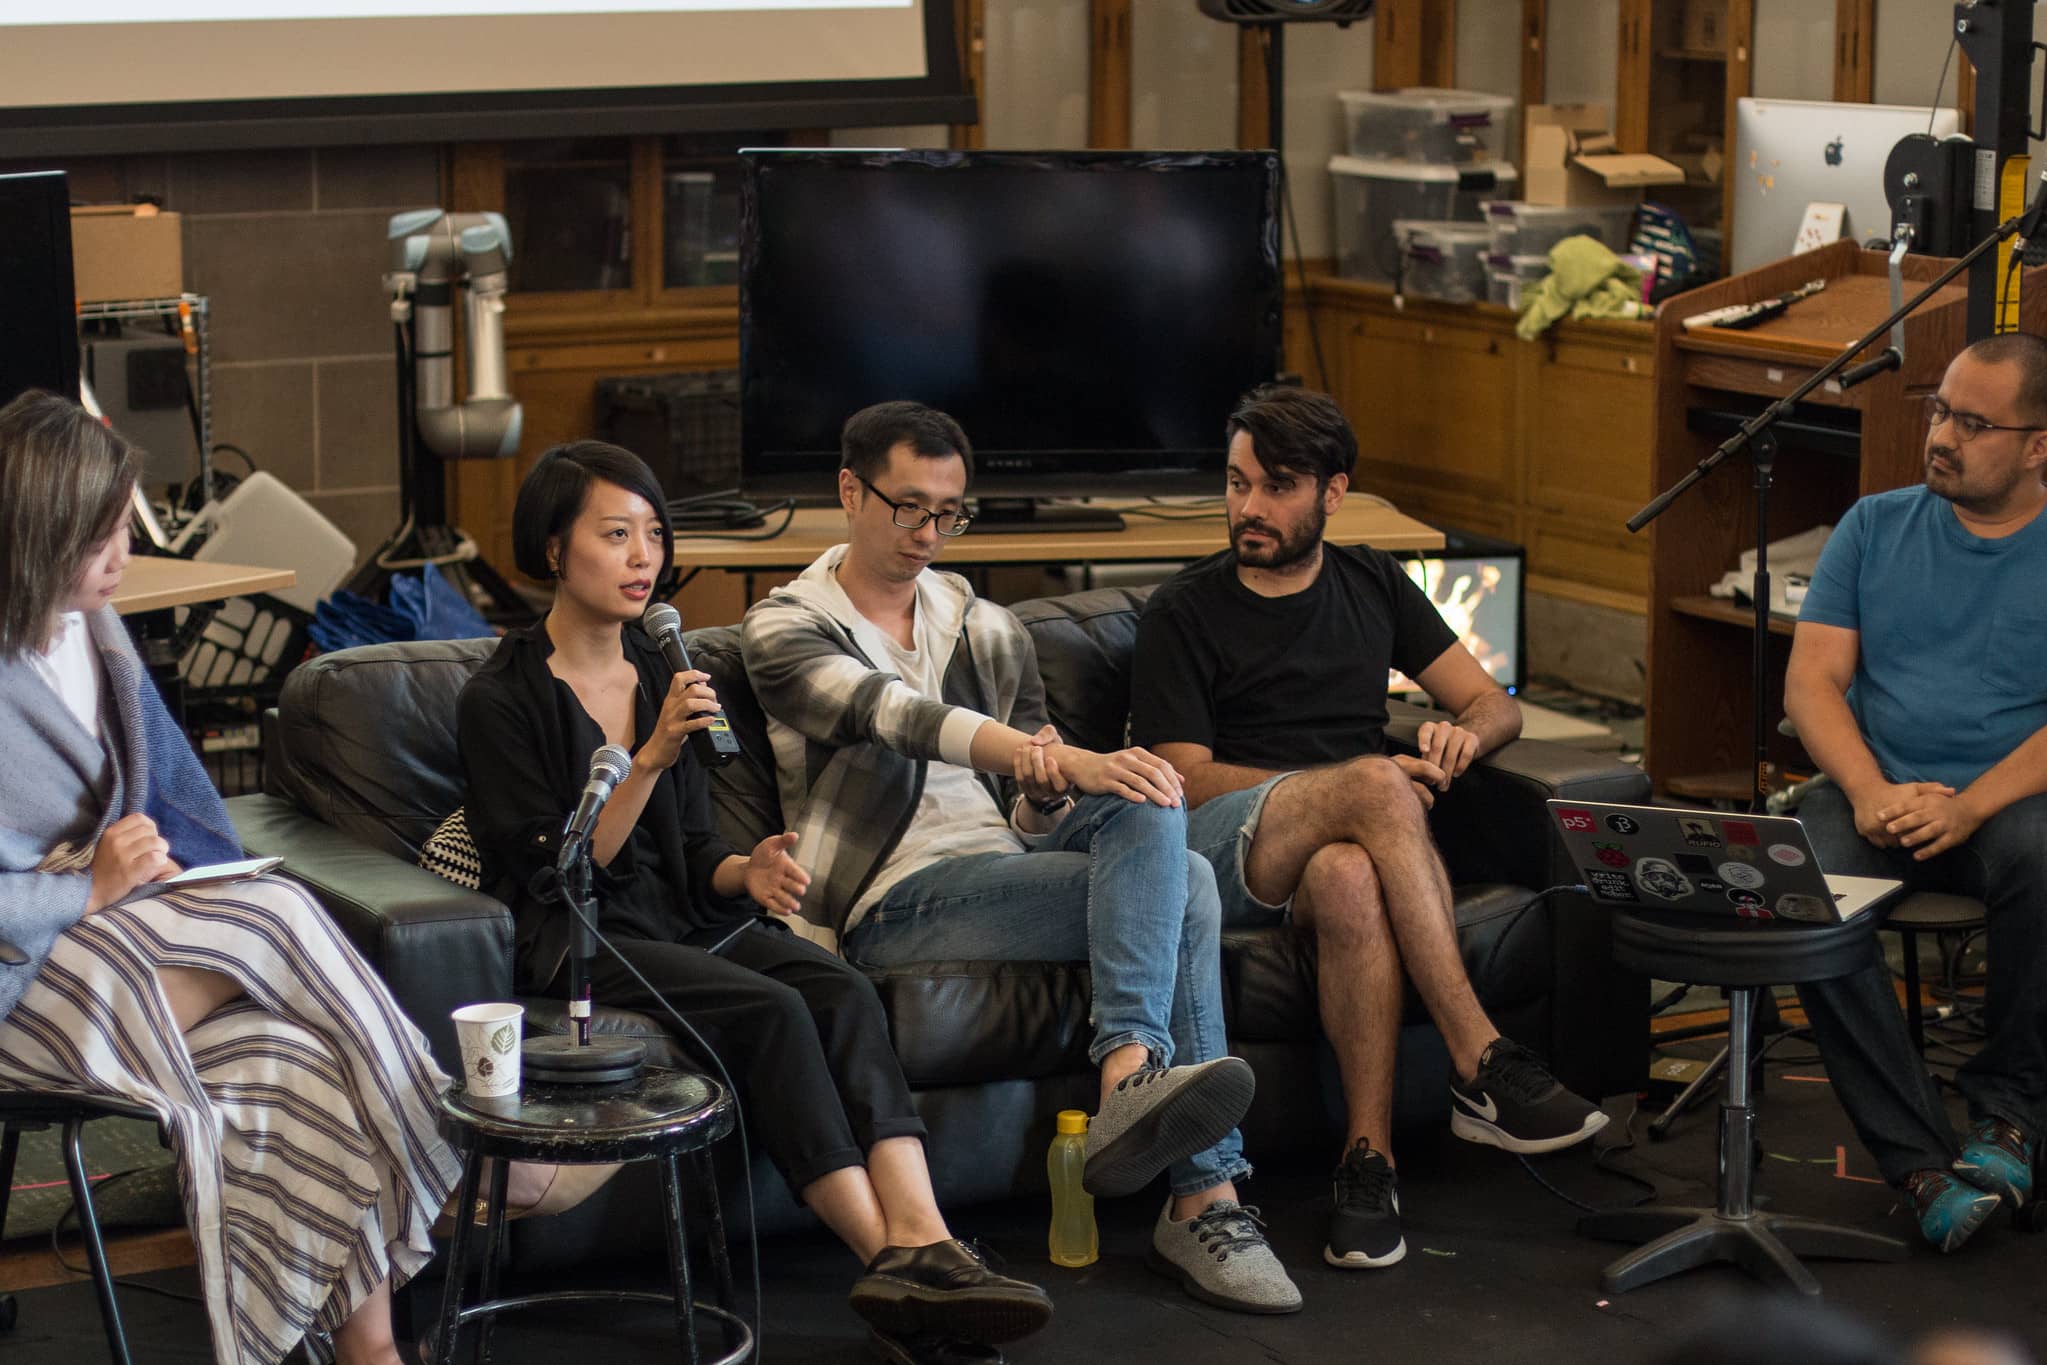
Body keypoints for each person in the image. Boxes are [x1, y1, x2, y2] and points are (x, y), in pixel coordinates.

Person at [0, 390, 615, 1365]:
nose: (123, 555)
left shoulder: (92, 623)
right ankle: (460, 1140)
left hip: (133, 948)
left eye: (125, 528)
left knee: (297, 1072)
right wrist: (90, 889)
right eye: (102, 536)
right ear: (39, 536)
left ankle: (370, 1352)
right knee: (275, 909)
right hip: (31, 982)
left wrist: (151, 869)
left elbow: (168, 789)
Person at [456, 441, 1051, 1362]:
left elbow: (692, 851)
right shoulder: (501, 697)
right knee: (771, 1011)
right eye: (615, 535)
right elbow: (564, 870)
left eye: (653, 534)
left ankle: (933, 1246)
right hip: (579, 937)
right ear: (550, 549)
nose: (642, 556)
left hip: (680, 922)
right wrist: (648, 756)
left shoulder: (664, 671)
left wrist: (749, 870)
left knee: (838, 989)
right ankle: (888, 1265)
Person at [740, 402, 1298, 1315]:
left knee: (1151, 801)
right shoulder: (787, 626)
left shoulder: (985, 625)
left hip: (999, 868)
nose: (929, 534)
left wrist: (1047, 791)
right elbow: (898, 717)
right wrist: (1049, 756)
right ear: (850, 491)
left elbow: (1028, 816)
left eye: (949, 514)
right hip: (895, 898)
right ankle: (1203, 1197)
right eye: (909, 508)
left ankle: (1131, 1079)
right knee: (1187, 878)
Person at [1127, 384, 1607, 1271]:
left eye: (1274, 487)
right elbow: (1181, 779)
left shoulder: (1372, 581)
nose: (1248, 508)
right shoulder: (1183, 610)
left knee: (1351, 870)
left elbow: (1491, 704)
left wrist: (1459, 735)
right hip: (1224, 845)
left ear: (1332, 493)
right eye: (1236, 484)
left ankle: (1368, 1164)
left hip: (1337, 855)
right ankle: (1481, 1059)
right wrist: (1350, 785)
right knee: (1375, 788)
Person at [1784, 332, 2047, 1252]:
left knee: (2045, 854)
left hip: (2007, 801)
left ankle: (2010, 1120)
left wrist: (1967, 805)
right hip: (1878, 790)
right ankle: (1919, 1161)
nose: (1942, 435)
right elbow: (1811, 682)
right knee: (1801, 874)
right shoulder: (1872, 524)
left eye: (1973, 423)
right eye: (1939, 410)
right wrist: (1864, 790)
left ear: (2037, 444)